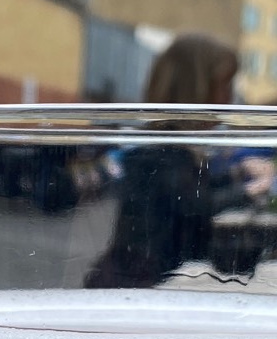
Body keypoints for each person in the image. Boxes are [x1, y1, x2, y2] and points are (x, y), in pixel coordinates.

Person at [85, 35, 236, 287]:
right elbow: (194, 207)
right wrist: (251, 191)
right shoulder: (160, 155)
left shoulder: (162, 149)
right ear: (197, 90)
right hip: (141, 294)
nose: (230, 98)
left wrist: (236, 176)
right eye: (225, 85)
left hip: (144, 286)